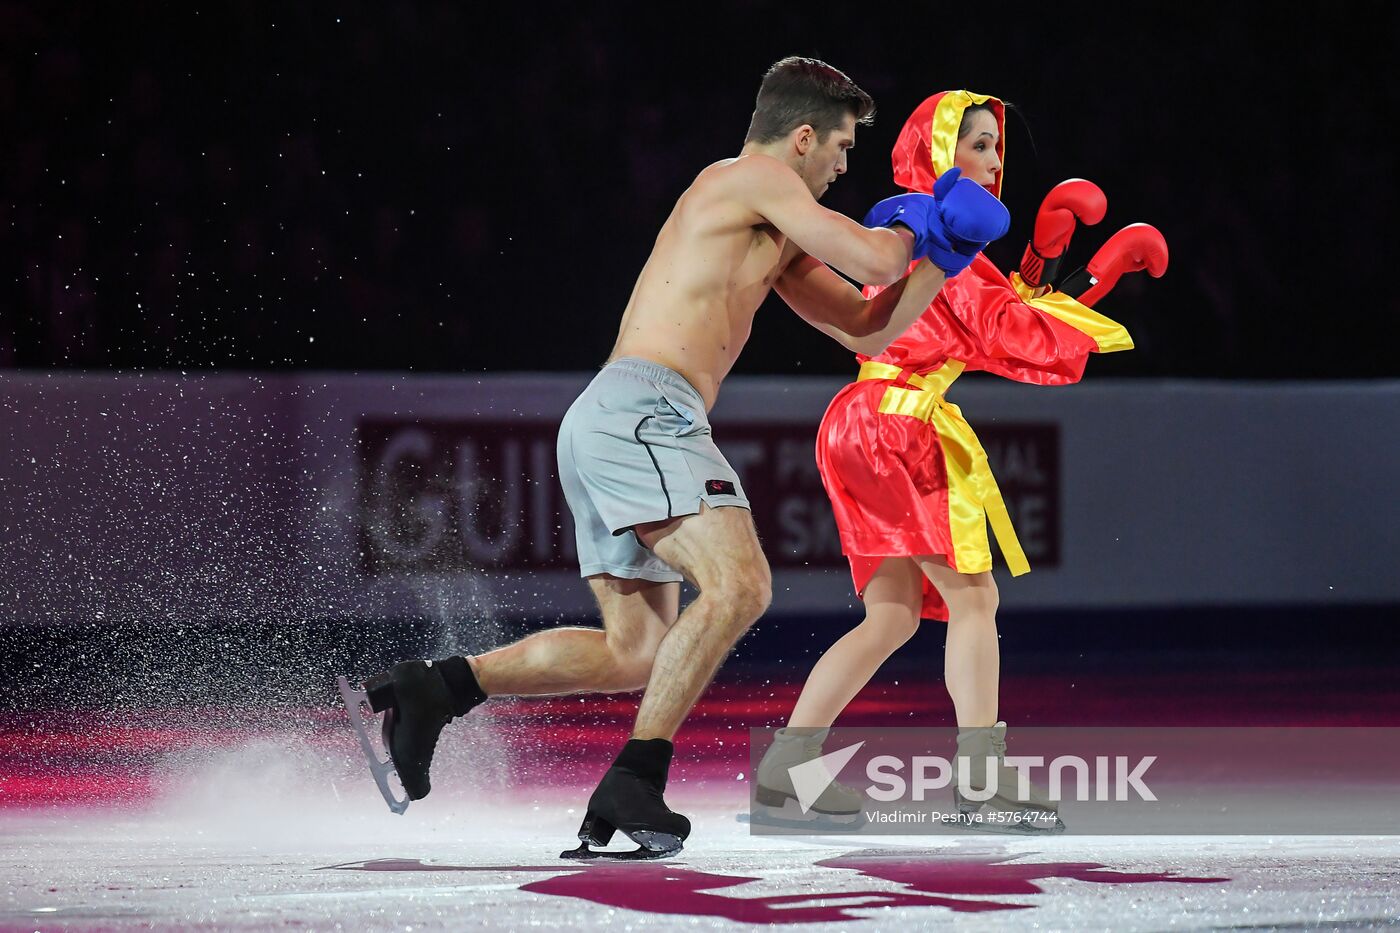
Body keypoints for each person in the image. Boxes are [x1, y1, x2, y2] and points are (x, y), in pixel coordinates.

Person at [338, 60, 1013, 857]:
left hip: (615, 418)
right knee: (741, 583)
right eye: (839, 147)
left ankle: (438, 685)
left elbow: (870, 327)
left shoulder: (774, 227)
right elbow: (873, 260)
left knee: (636, 651)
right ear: (802, 137)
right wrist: (925, 220)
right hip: (646, 412)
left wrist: (943, 255)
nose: (842, 166)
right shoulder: (753, 177)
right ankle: (636, 776)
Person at [753, 89, 1166, 833]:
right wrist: (1099, 282)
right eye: (978, 145)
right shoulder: (939, 234)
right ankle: (980, 782)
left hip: (862, 416)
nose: (994, 160)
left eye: (997, 147)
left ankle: (786, 771)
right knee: (974, 599)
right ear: (941, 153)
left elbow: (996, 305)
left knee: (892, 615)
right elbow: (1011, 335)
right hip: (902, 423)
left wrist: (1044, 257)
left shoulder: (917, 223)